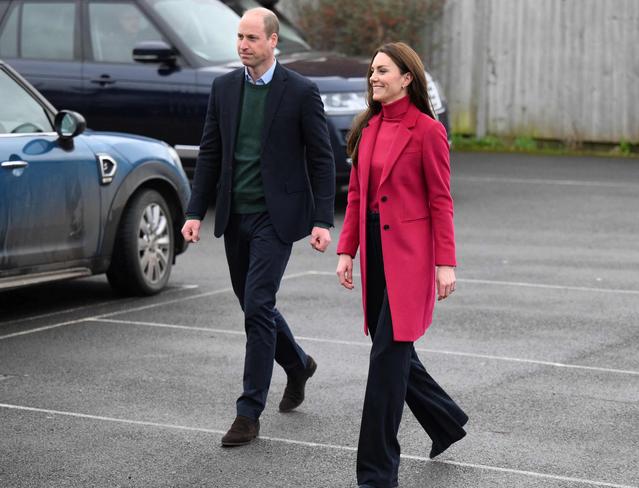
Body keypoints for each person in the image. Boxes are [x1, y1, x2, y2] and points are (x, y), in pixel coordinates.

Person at [182, 7, 335, 447]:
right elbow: (210, 153)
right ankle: (298, 363)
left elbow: (321, 158)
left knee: (257, 306)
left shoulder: (301, 91)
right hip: (235, 215)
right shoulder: (224, 88)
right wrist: (195, 212)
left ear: (273, 42)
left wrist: (323, 219)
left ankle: (248, 412)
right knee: (255, 305)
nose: (243, 45)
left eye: (251, 38)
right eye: (239, 37)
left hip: (278, 217)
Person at [336, 42, 468, 488]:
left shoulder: (428, 131)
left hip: (410, 260)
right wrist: (346, 250)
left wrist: (445, 263)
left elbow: (441, 200)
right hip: (374, 254)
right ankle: (445, 421)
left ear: (407, 78)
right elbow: (356, 197)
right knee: (395, 354)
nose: (374, 78)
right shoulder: (367, 128)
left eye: (383, 71)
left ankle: (376, 475)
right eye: (372, 70)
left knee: (385, 367)